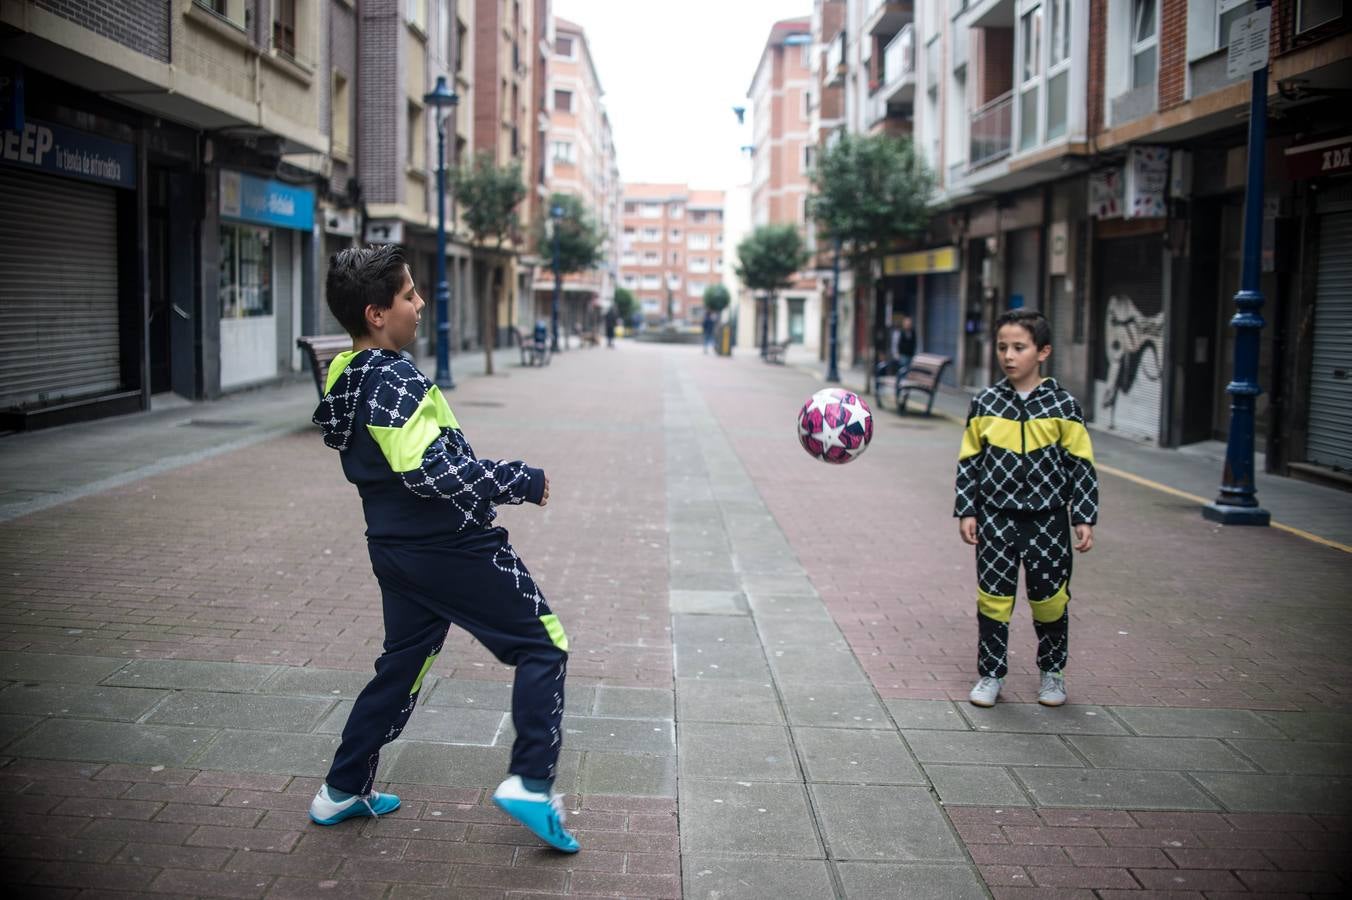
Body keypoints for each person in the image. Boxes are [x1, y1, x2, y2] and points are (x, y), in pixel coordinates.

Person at [306, 245, 578, 853]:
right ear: (377, 313)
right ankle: (533, 783)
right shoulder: (391, 378)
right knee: (544, 644)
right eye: (408, 296)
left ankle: (342, 787)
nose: (421, 304)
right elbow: (426, 471)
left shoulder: (346, 373)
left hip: (396, 549)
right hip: (449, 546)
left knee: (401, 665)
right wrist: (518, 480)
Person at [954, 308, 1098, 709]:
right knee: (992, 599)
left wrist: (1083, 516)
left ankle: (1052, 674)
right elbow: (969, 463)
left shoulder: (1063, 405)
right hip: (996, 518)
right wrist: (967, 509)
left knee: (1050, 601)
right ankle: (991, 673)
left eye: (1019, 347)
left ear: (1043, 352)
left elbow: (1081, 466)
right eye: (1002, 347)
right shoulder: (984, 403)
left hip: (1048, 520)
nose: (1009, 355)